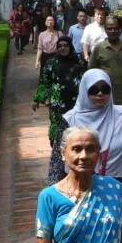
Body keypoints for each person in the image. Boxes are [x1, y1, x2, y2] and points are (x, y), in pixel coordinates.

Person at [62, 69, 122, 180]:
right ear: (84, 90)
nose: (100, 94)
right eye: (94, 90)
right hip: (80, 183)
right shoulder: (70, 119)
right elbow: (58, 162)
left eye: (105, 89)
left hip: (118, 184)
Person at [34, 42, 83, 182]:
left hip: (75, 102)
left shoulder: (78, 61)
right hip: (57, 103)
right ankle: (59, 157)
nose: (63, 48)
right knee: (57, 130)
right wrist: (39, 98)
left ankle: (74, 157)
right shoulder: (51, 62)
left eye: (66, 45)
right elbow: (44, 81)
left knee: (75, 130)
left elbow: (85, 80)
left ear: (70, 47)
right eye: (60, 46)